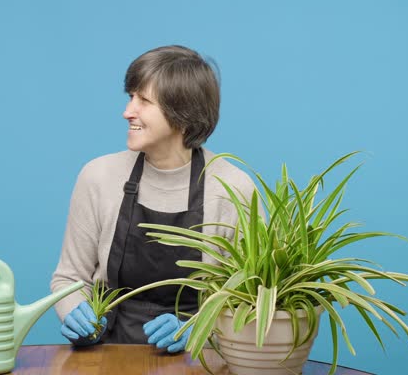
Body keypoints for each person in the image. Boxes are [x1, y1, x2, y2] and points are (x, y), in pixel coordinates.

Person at [50, 45, 255, 352]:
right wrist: (75, 313)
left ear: (183, 114)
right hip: (109, 356)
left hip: (200, 363)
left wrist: (201, 329)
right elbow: (69, 279)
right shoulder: (98, 177)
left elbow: (253, 301)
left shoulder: (233, 189)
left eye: (144, 101)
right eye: (130, 96)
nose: (128, 111)